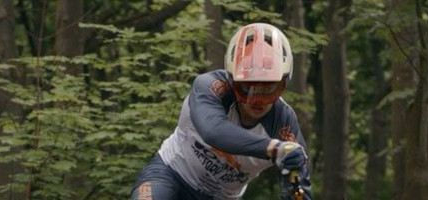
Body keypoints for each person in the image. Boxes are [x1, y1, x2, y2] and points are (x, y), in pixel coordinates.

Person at [130, 23, 312, 200]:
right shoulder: (210, 87)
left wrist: (295, 183)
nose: (258, 100)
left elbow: (298, 188)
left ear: (283, 85)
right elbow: (213, 132)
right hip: (171, 174)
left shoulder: (284, 122)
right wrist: (274, 148)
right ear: (232, 82)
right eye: (247, 89)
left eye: (269, 89)